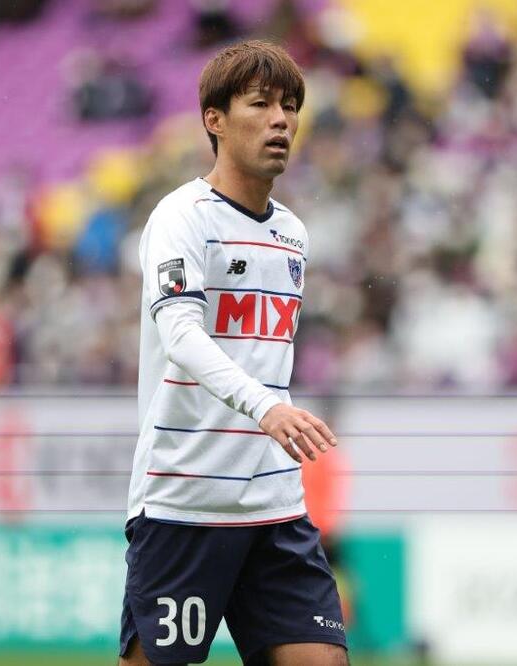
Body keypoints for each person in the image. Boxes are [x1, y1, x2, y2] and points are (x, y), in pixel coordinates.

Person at [121, 40, 348, 665]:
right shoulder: (181, 217)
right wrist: (265, 407)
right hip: (184, 501)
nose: (281, 120)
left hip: (275, 504)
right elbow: (182, 335)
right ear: (214, 119)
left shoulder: (292, 234)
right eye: (261, 104)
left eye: (290, 107)